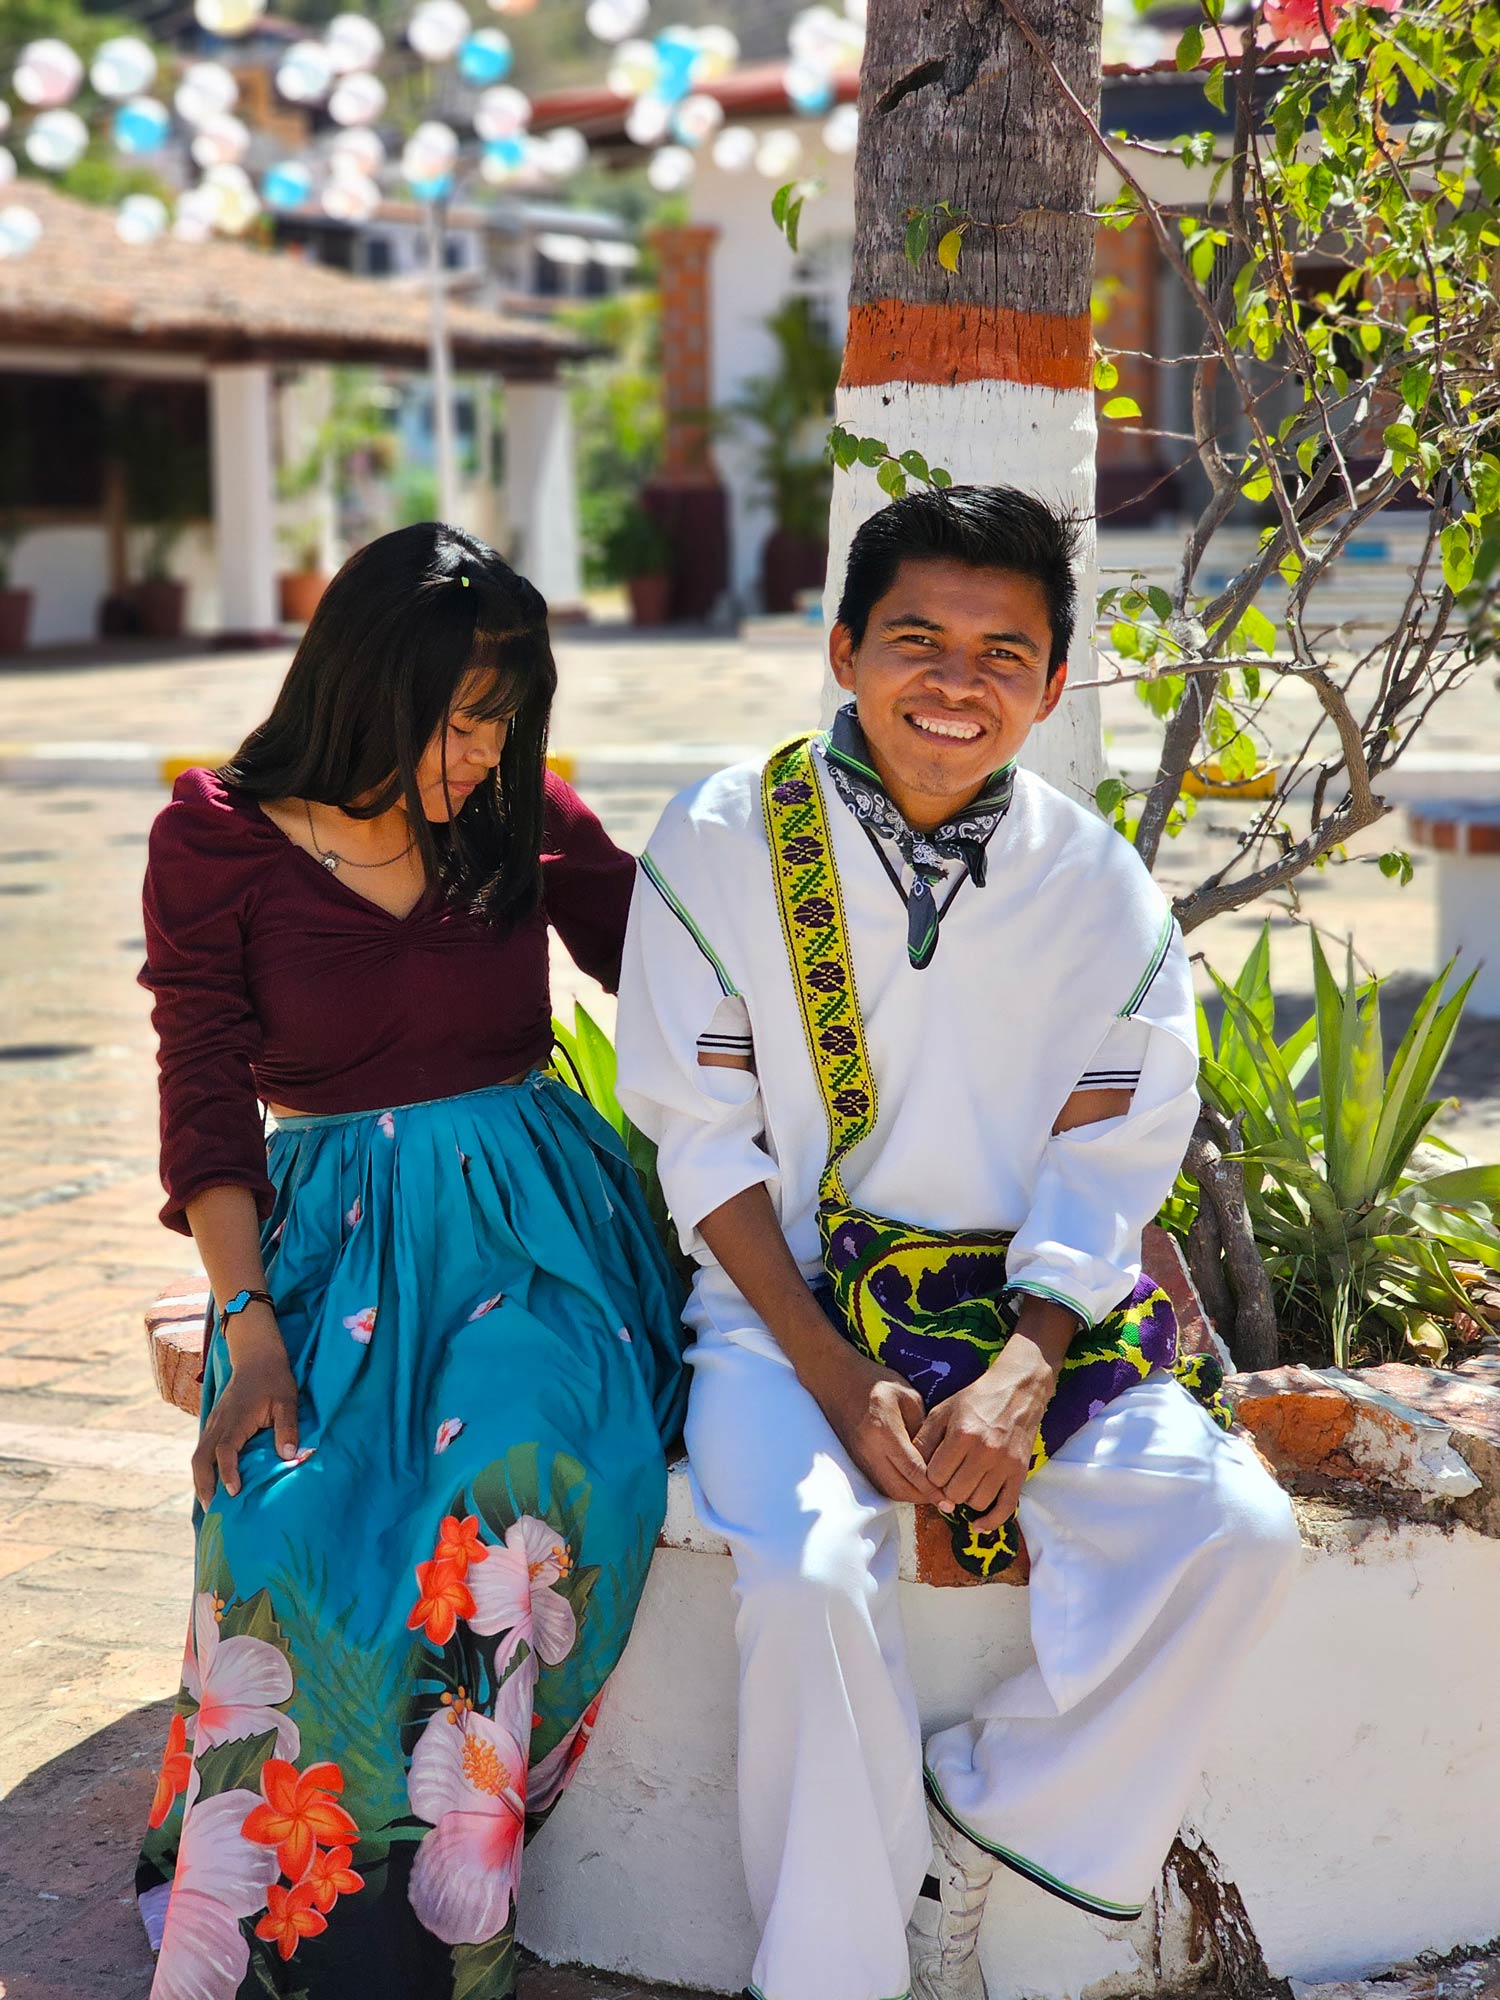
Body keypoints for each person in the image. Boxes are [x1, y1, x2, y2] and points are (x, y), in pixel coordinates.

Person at [614, 486, 1301, 2000]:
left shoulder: (1096, 886)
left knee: (1237, 1538)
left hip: (1023, 1324)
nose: (957, 681)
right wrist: (831, 1369)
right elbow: (702, 1137)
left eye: (1006, 652)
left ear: (1053, 685)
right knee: (804, 1574)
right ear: (845, 647)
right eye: (917, 637)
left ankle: (980, 1818)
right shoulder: (727, 839)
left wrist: (1026, 1367)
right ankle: (834, 1977)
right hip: (779, 1321)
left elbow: (1110, 1152)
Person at [136, 523, 687, 2000]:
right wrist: (248, 1328)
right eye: (456, 717)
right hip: (322, 1249)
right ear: (364, 682)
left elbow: (681, 955)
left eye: (505, 719)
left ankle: (452, 1919)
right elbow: (201, 1091)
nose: (482, 751)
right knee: (283, 1519)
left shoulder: (522, 814)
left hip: (534, 1234)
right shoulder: (214, 838)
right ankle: (312, 1934)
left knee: (511, 1479)